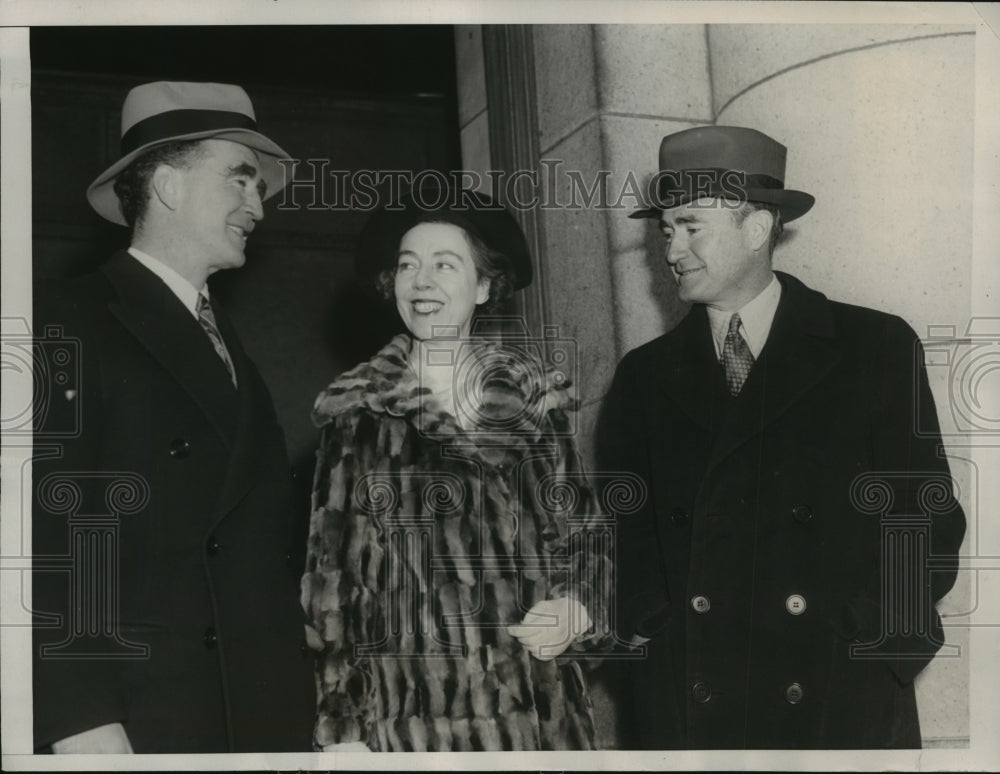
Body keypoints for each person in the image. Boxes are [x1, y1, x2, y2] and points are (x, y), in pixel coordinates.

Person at [598, 125, 966, 749]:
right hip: (689, 703)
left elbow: (925, 515)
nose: (671, 249)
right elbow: (619, 525)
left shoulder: (873, 347)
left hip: (836, 698)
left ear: (757, 229)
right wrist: (644, 626)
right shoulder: (643, 376)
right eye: (666, 230)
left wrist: (877, 638)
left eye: (691, 226)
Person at [32, 81, 314, 753]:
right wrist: (79, 721)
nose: (259, 207)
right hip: (145, 718)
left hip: (256, 716)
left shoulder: (229, 344)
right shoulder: (63, 318)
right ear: (166, 185)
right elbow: (46, 530)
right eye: (241, 180)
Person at [301, 183, 612, 751]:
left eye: (445, 264)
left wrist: (578, 607)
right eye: (407, 265)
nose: (422, 282)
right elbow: (332, 591)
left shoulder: (535, 404)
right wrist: (340, 730)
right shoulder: (357, 415)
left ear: (484, 285)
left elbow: (586, 540)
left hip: (537, 717)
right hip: (410, 724)